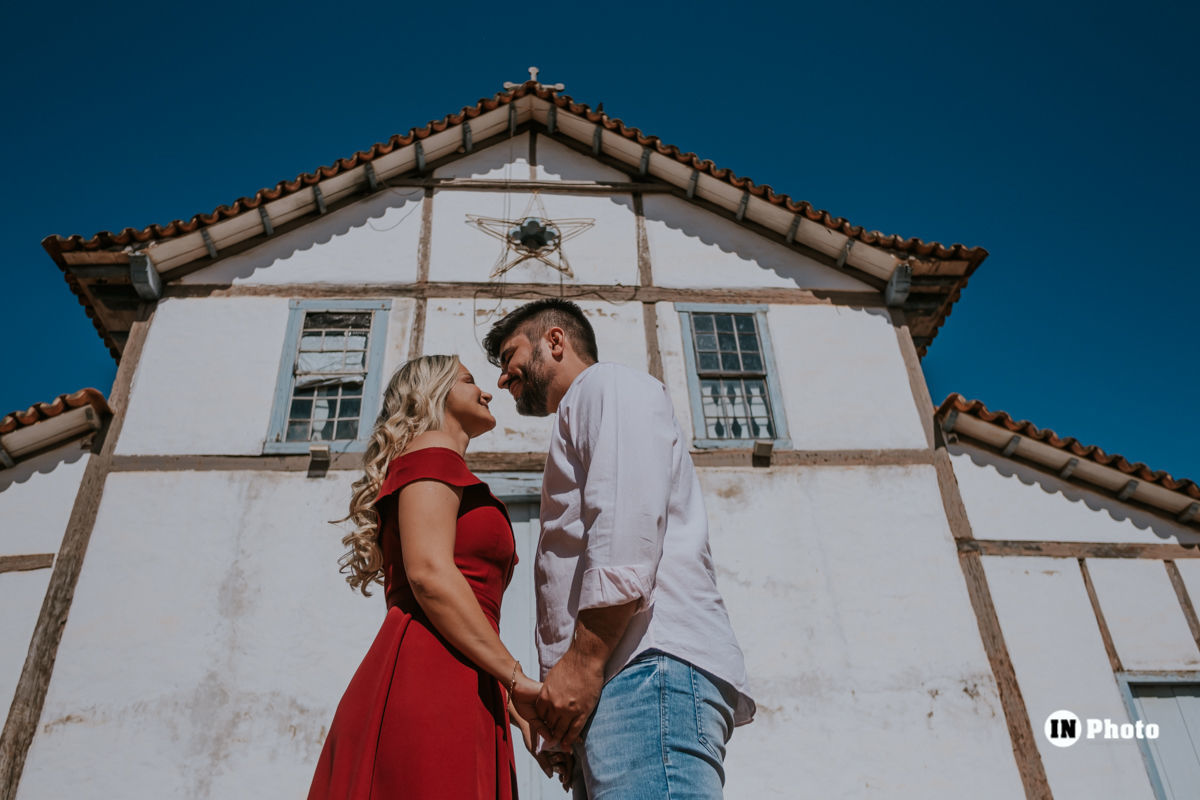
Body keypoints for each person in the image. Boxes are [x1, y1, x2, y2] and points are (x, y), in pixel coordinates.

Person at [483, 299, 755, 799]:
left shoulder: (606, 386)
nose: (502, 379)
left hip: (643, 671)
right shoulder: (587, 407)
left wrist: (584, 663)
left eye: (509, 356)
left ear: (555, 341)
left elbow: (625, 523)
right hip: (620, 682)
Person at [308, 355, 564, 799]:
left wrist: (511, 701)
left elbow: (459, 607)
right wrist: (516, 678)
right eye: (469, 381)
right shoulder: (431, 451)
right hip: (432, 675)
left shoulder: (439, 463)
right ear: (434, 393)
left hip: (460, 672)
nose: (487, 391)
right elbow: (429, 574)